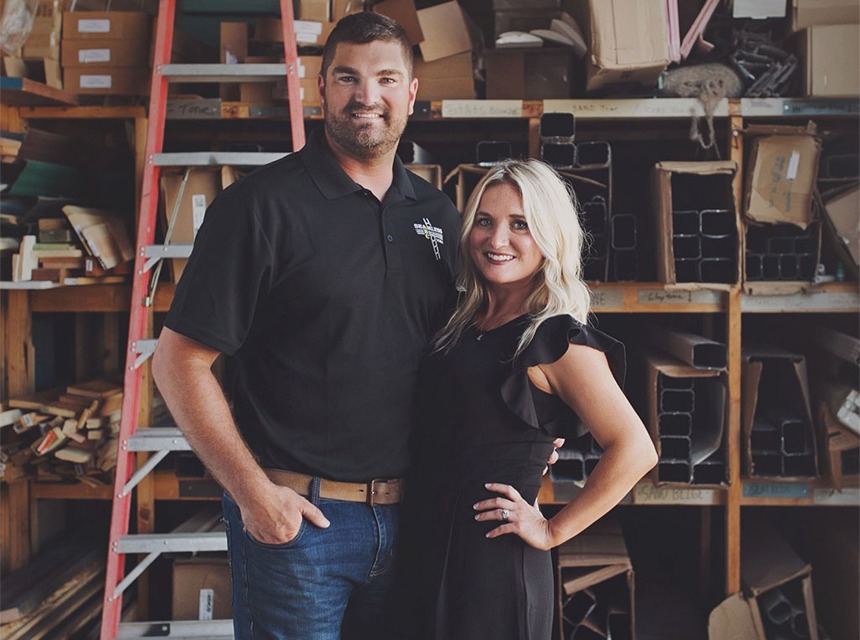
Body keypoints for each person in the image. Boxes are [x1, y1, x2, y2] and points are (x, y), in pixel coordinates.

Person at [151, 12, 462, 640]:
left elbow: (456, 354)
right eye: (347, 77)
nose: (366, 96)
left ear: (410, 94)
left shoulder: (436, 214)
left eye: (385, 78)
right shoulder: (259, 208)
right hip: (301, 525)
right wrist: (254, 496)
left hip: (415, 521)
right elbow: (178, 362)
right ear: (320, 89)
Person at [411, 159, 658, 640]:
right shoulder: (465, 320)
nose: (496, 239)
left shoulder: (556, 338)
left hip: (492, 562)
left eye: (519, 225)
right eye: (484, 220)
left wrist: (552, 530)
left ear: (550, 236)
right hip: (428, 542)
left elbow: (635, 449)